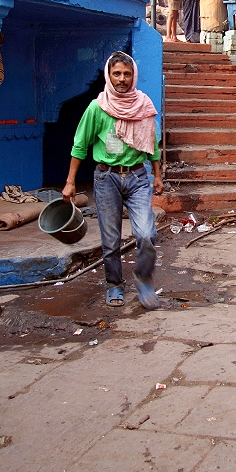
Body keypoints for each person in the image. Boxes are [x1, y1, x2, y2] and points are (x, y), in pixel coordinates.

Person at [62, 52, 163, 310]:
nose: (122, 79)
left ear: (133, 77)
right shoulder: (97, 107)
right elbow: (80, 145)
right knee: (110, 239)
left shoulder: (143, 104)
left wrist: (158, 175)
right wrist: (70, 181)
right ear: (109, 75)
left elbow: (152, 142)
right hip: (106, 177)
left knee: (147, 234)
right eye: (117, 73)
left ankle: (143, 279)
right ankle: (114, 285)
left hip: (138, 177)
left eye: (127, 74)